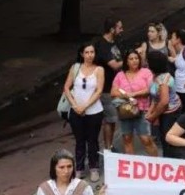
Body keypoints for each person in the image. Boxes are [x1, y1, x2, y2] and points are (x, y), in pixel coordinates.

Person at [62, 44, 105, 181]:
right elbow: (67, 88)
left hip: (94, 111)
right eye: (87, 52)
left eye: (92, 52)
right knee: (79, 141)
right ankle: (79, 168)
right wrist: (75, 105)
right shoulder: (75, 68)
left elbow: (99, 91)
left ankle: (94, 167)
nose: (90, 55)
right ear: (82, 54)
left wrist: (85, 106)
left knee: (92, 141)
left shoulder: (99, 70)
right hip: (76, 112)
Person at [111, 51, 157, 156]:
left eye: (136, 58)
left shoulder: (146, 72)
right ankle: (131, 166)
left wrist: (133, 94)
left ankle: (155, 164)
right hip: (125, 111)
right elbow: (113, 92)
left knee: (146, 139)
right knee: (127, 139)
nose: (134, 60)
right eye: (131, 59)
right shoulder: (120, 75)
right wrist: (126, 96)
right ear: (126, 61)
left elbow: (149, 89)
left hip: (142, 110)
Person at [94, 18, 124, 154]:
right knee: (110, 119)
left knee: (112, 120)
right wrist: (130, 57)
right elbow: (115, 65)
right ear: (112, 29)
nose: (122, 30)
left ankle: (110, 146)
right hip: (106, 89)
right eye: (119, 28)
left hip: (115, 86)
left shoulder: (113, 42)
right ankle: (107, 149)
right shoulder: (102, 45)